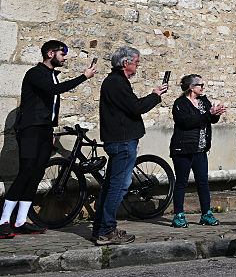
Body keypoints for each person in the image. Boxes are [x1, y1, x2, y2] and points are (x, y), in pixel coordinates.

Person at [1, 40, 98, 238]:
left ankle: (20, 221)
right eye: (62, 54)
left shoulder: (51, 76)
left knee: (36, 174)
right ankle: (3, 221)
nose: (65, 57)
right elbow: (54, 91)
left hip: (45, 131)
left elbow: (50, 107)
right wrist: (83, 77)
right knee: (26, 172)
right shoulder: (35, 74)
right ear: (49, 53)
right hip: (30, 130)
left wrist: (51, 132)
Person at [92, 47, 166, 245]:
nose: (138, 64)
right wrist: (155, 96)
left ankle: (101, 228)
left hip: (119, 141)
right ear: (125, 63)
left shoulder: (115, 82)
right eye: (136, 61)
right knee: (118, 187)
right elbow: (136, 108)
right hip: (122, 142)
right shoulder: (117, 83)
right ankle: (107, 230)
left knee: (110, 186)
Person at [169, 75, 226, 228]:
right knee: (181, 182)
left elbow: (209, 120)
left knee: (203, 182)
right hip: (183, 150)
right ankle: (178, 215)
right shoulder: (180, 104)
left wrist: (215, 115)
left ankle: (206, 213)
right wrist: (209, 115)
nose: (203, 87)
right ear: (191, 87)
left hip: (200, 149)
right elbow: (187, 122)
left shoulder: (203, 102)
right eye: (200, 85)